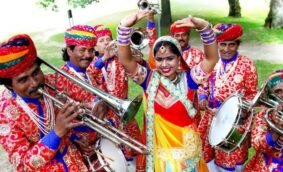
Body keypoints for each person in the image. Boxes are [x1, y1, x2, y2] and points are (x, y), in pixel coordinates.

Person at [117, 10, 219, 171]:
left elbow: (212, 58)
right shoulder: (148, 80)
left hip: (186, 157)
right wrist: (124, 28)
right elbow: (125, 60)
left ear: (179, 58)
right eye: (159, 59)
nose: (164, 65)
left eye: (170, 58)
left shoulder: (190, 80)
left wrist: (205, 28)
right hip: (160, 159)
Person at [0, 34, 89, 171]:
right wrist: (57, 132)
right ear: (10, 86)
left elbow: (86, 99)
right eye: (23, 80)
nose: (35, 83)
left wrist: (94, 105)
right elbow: (23, 165)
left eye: (36, 72)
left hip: (75, 163)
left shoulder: (51, 81)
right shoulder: (4, 114)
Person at [197, 23, 258, 171]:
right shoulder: (211, 62)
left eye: (231, 45)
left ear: (237, 45)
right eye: (223, 44)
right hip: (212, 118)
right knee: (206, 155)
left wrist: (241, 110)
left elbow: (252, 93)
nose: (226, 49)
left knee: (229, 159)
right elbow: (203, 84)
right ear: (217, 44)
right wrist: (203, 98)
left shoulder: (247, 65)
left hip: (234, 122)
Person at [45, 25, 107, 155]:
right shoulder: (59, 78)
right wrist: (73, 139)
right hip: (78, 145)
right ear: (69, 51)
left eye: (91, 50)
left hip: (95, 139)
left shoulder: (87, 74)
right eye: (82, 50)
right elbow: (54, 117)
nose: (88, 55)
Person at [87, 24, 141, 164]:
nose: (106, 42)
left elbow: (138, 62)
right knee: (115, 151)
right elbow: (89, 74)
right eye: (101, 40)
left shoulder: (119, 59)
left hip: (125, 109)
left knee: (134, 144)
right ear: (95, 47)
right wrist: (105, 57)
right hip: (106, 113)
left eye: (108, 39)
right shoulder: (93, 62)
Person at [244, 69, 283, 172]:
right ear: (272, 94)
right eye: (278, 91)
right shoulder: (264, 114)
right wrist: (277, 131)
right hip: (269, 162)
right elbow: (257, 144)